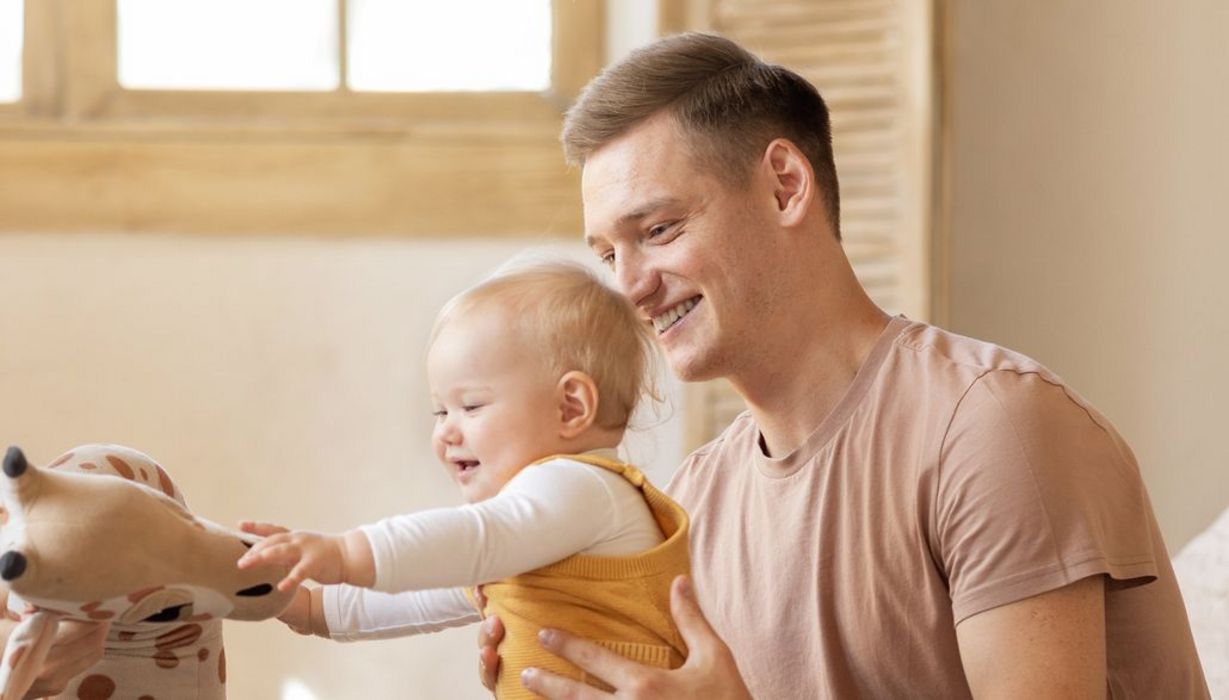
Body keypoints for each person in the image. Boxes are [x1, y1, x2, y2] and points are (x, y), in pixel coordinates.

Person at [478, 32, 1210, 698]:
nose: (630, 287)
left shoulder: (990, 429)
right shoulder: (692, 502)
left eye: (659, 230)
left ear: (784, 186)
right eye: (608, 255)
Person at [237, 258, 691, 698]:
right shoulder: (534, 537)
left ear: (570, 407)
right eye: (440, 411)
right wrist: (306, 607)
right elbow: (420, 599)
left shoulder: (583, 488)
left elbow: (475, 539)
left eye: (471, 405)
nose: (445, 432)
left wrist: (342, 553)